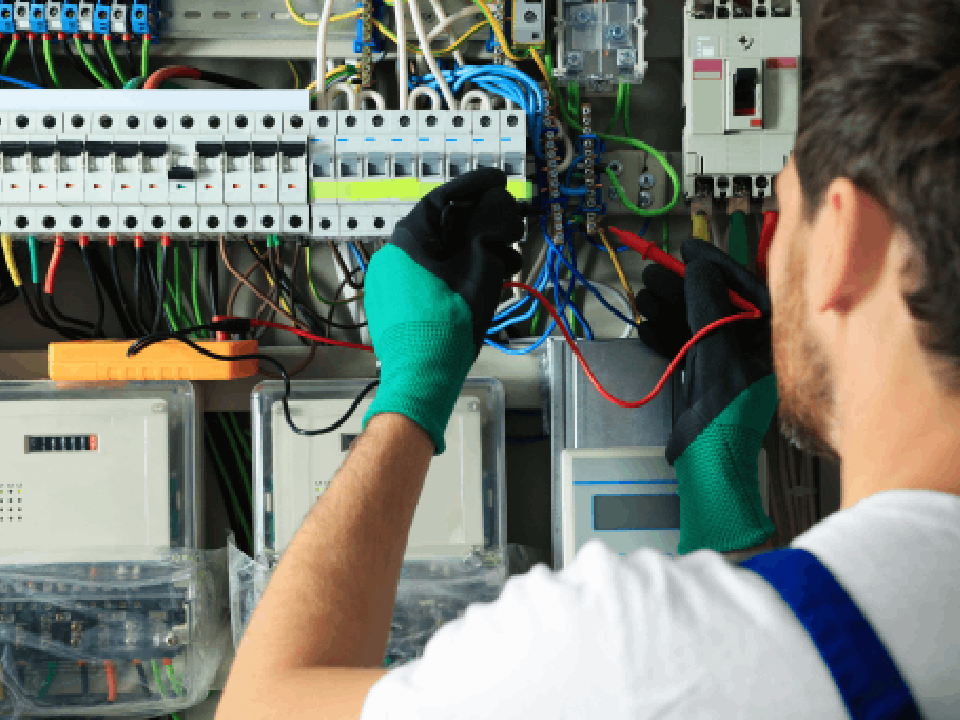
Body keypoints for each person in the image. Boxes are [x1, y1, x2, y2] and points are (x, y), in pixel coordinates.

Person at [216, 0, 960, 716]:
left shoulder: (627, 655)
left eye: (783, 210)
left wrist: (408, 395)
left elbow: (262, 708)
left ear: (847, 244)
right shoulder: (688, 659)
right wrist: (721, 500)